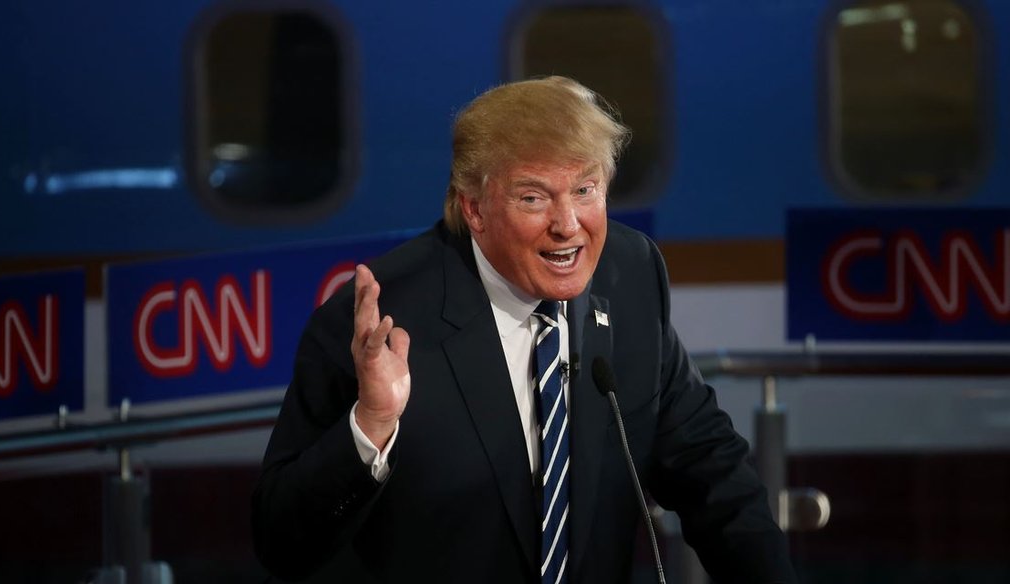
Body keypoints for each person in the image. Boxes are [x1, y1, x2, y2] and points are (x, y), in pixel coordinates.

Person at [252, 76, 796, 583]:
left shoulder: (629, 275)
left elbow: (714, 474)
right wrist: (370, 425)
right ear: (475, 208)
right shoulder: (377, 324)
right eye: (534, 197)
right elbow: (282, 543)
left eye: (585, 190)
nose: (568, 224)